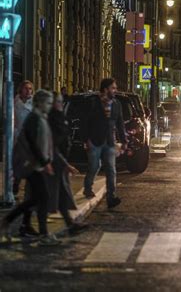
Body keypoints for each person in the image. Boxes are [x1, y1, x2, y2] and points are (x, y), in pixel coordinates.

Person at [1, 90, 61, 246]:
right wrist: (45, 162)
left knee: (35, 198)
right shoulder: (34, 118)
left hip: (35, 164)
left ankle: (16, 224)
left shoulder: (39, 117)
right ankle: (43, 233)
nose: (49, 106)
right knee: (44, 197)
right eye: (47, 103)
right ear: (40, 103)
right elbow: (34, 144)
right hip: (32, 165)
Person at [82, 78, 127, 209]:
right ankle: (87, 187)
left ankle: (111, 198)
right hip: (95, 141)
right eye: (113, 88)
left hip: (109, 142)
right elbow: (85, 122)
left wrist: (124, 141)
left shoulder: (117, 104)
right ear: (106, 89)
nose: (115, 90)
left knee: (111, 170)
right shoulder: (93, 103)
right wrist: (86, 140)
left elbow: (120, 123)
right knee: (94, 166)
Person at [48, 92, 88, 235]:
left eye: (61, 101)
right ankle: (17, 221)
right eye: (57, 101)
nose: (60, 104)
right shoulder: (50, 119)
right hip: (52, 163)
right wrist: (66, 164)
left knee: (61, 195)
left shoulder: (59, 116)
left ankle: (71, 224)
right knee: (40, 199)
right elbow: (52, 145)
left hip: (58, 162)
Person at [13, 80, 37, 237]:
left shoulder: (34, 104)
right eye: (26, 89)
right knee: (17, 165)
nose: (28, 91)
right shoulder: (14, 101)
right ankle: (15, 185)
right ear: (20, 90)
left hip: (29, 140)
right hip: (17, 138)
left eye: (30, 89)